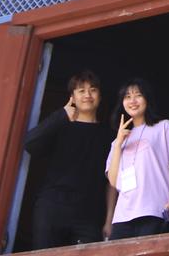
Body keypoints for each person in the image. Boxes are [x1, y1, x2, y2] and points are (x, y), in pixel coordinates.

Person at [22, 69, 116, 248]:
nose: (87, 95)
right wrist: (61, 114)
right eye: (81, 90)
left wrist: (109, 219)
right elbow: (30, 144)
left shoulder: (109, 136)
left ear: (100, 96)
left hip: (89, 213)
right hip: (53, 207)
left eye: (93, 90)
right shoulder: (61, 126)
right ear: (72, 97)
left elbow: (111, 181)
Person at [105, 79, 169, 240]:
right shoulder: (117, 142)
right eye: (127, 96)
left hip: (154, 209)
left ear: (147, 98)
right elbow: (114, 181)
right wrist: (118, 144)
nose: (132, 100)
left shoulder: (164, 127)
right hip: (122, 216)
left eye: (138, 95)